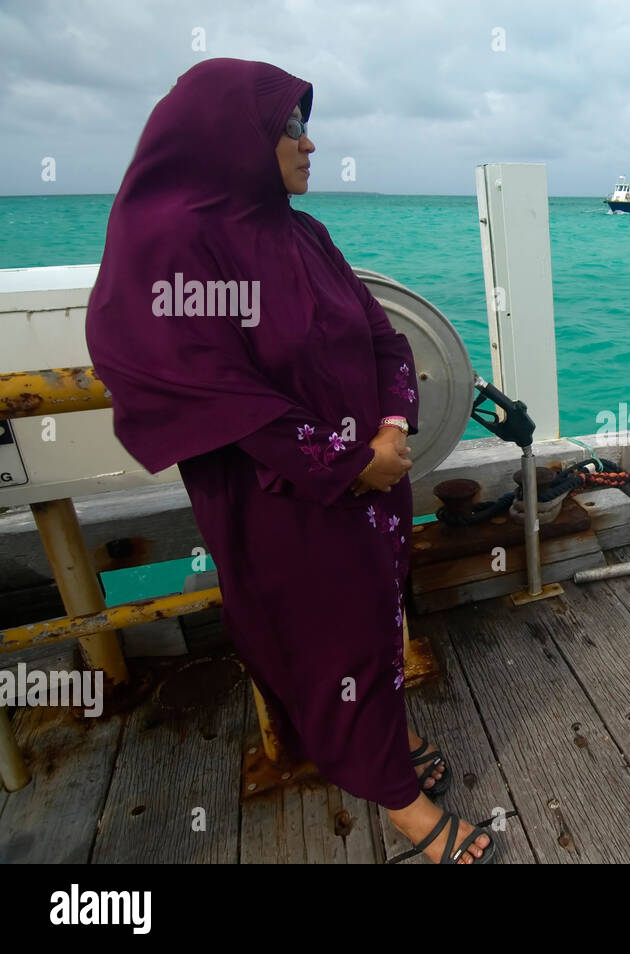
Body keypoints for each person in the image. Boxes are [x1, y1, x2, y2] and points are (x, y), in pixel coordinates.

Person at [84, 59, 495, 865]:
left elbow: (382, 335)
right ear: (232, 139)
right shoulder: (175, 244)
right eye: (293, 127)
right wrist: (344, 465)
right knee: (324, 640)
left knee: (378, 619)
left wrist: (389, 428)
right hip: (281, 502)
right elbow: (207, 384)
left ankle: (382, 738)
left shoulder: (306, 234)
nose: (312, 144)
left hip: (370, 483)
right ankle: (399, 802)